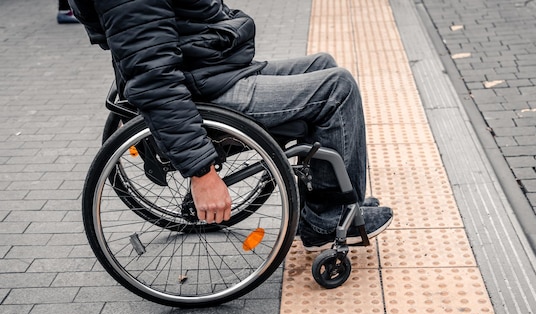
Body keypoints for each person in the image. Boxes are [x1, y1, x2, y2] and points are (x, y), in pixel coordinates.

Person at [69, 0, 393, 251]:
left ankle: (329, 201)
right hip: (203, 91)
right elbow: (154, 81)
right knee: (338, 88)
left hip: (209, 71)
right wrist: (202, 173)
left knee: (322, 64)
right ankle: (326, 219)